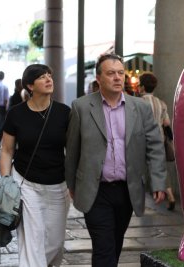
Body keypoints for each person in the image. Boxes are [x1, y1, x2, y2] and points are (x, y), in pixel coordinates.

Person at [65, 53, 166, 267]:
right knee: (104, 246)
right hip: (95, 190)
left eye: (121, 73)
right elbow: (72, 149)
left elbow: (155, 147)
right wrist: (72, 185)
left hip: (127, 190)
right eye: (111, 73)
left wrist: (158, 182)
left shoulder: (140, 108)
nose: (118, 78)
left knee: (115, 242)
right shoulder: (81, 107)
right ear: (99, 78)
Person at [0, 64, 71, 267]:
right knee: (33, 240)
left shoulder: (64, 113)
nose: (49, 79)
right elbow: (6, 150)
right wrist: (6, 183)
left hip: (58, 184)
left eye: (50, 75)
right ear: (30, 85)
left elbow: (73, 149)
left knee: (55, 243)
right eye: (41, 77)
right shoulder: (16, 114)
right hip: (26, 183)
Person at [139, 72, 176, 211]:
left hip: (142, 140)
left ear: (142, 87)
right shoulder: (161, 103)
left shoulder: (139, 103)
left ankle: (140, 200)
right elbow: (166, 123)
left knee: (140, 170)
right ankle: (171, 196)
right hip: (158, 140)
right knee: (159, 168)